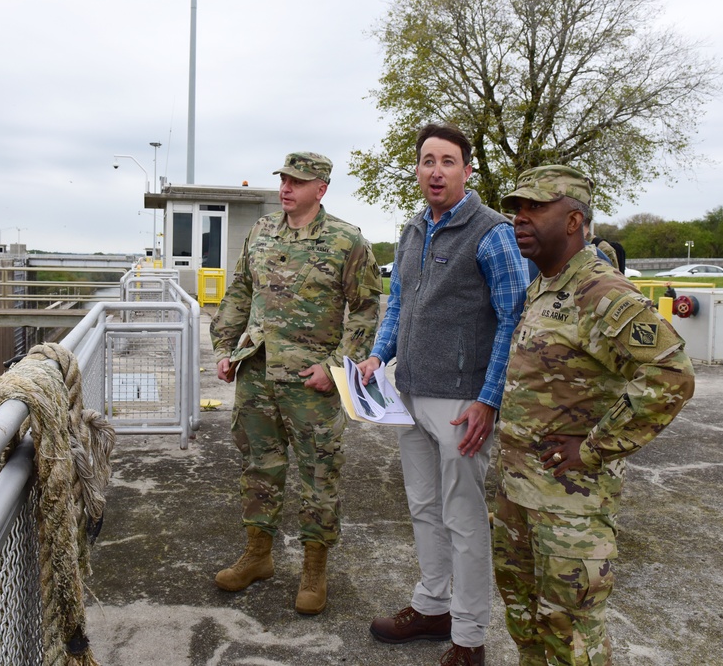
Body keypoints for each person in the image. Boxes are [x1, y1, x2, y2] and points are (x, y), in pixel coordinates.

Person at [494, 164, 696, 665]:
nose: (520, 218)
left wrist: (594, 448)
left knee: (570, 635)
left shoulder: (602, 293)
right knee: (524, 619)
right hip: (519, 493)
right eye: (517, 209)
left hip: (571, 508)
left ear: (573, 220)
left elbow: (671, 376)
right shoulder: (543, 286)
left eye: (535, 207)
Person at [359, 123, 529, 666]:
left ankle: (470, 638)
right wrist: (378, 356)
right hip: (407, 395)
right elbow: (399, 306)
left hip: (461, 403)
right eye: (427, 160)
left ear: (467, 170)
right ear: (417, 168)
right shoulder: (410, 231)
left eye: (448, 161)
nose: (436, 171)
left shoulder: (492, 232)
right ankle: (432, 606)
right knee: (424, 508)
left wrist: (489, 398)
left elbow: (512, 318)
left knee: (463, 518)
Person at [209, 151, 382, 615]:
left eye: (298, 182)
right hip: (257, 374)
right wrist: (224, 349)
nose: (287, 187)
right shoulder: (261, 232)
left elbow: (366, 309)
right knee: (258, 469)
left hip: (311, 383)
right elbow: (239, 291)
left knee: (318, 475)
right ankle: (259, 555)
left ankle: (314, 568)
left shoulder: (347, 241)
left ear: (320, 189)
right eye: (284, 179)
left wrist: (338, 365)